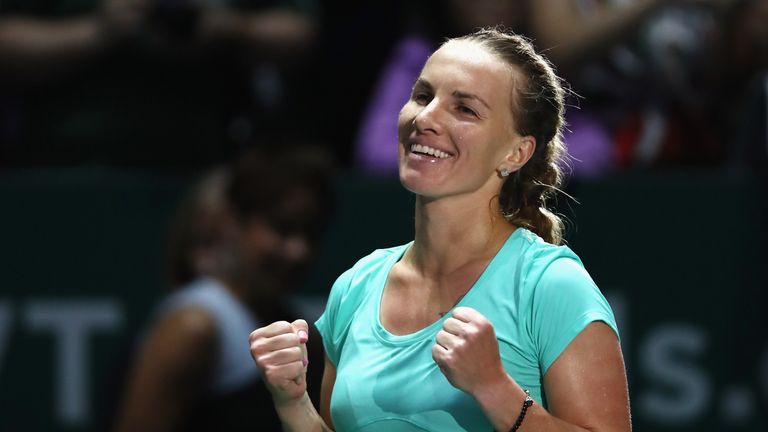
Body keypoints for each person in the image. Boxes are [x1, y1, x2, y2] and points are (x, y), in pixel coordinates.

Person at [250, 27, 630, 431]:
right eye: (422, 96)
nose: (426, 118)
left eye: (465, 109)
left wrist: (494, 388)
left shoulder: (553, 286)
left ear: (516, 152)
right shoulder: (355, 287)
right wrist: (293, 403)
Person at [113, 146, 334, 432]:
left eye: (311, 233)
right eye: (282, 228)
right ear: (235, 223)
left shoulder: (307, 337)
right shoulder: (193, 328)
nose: (298, 250)